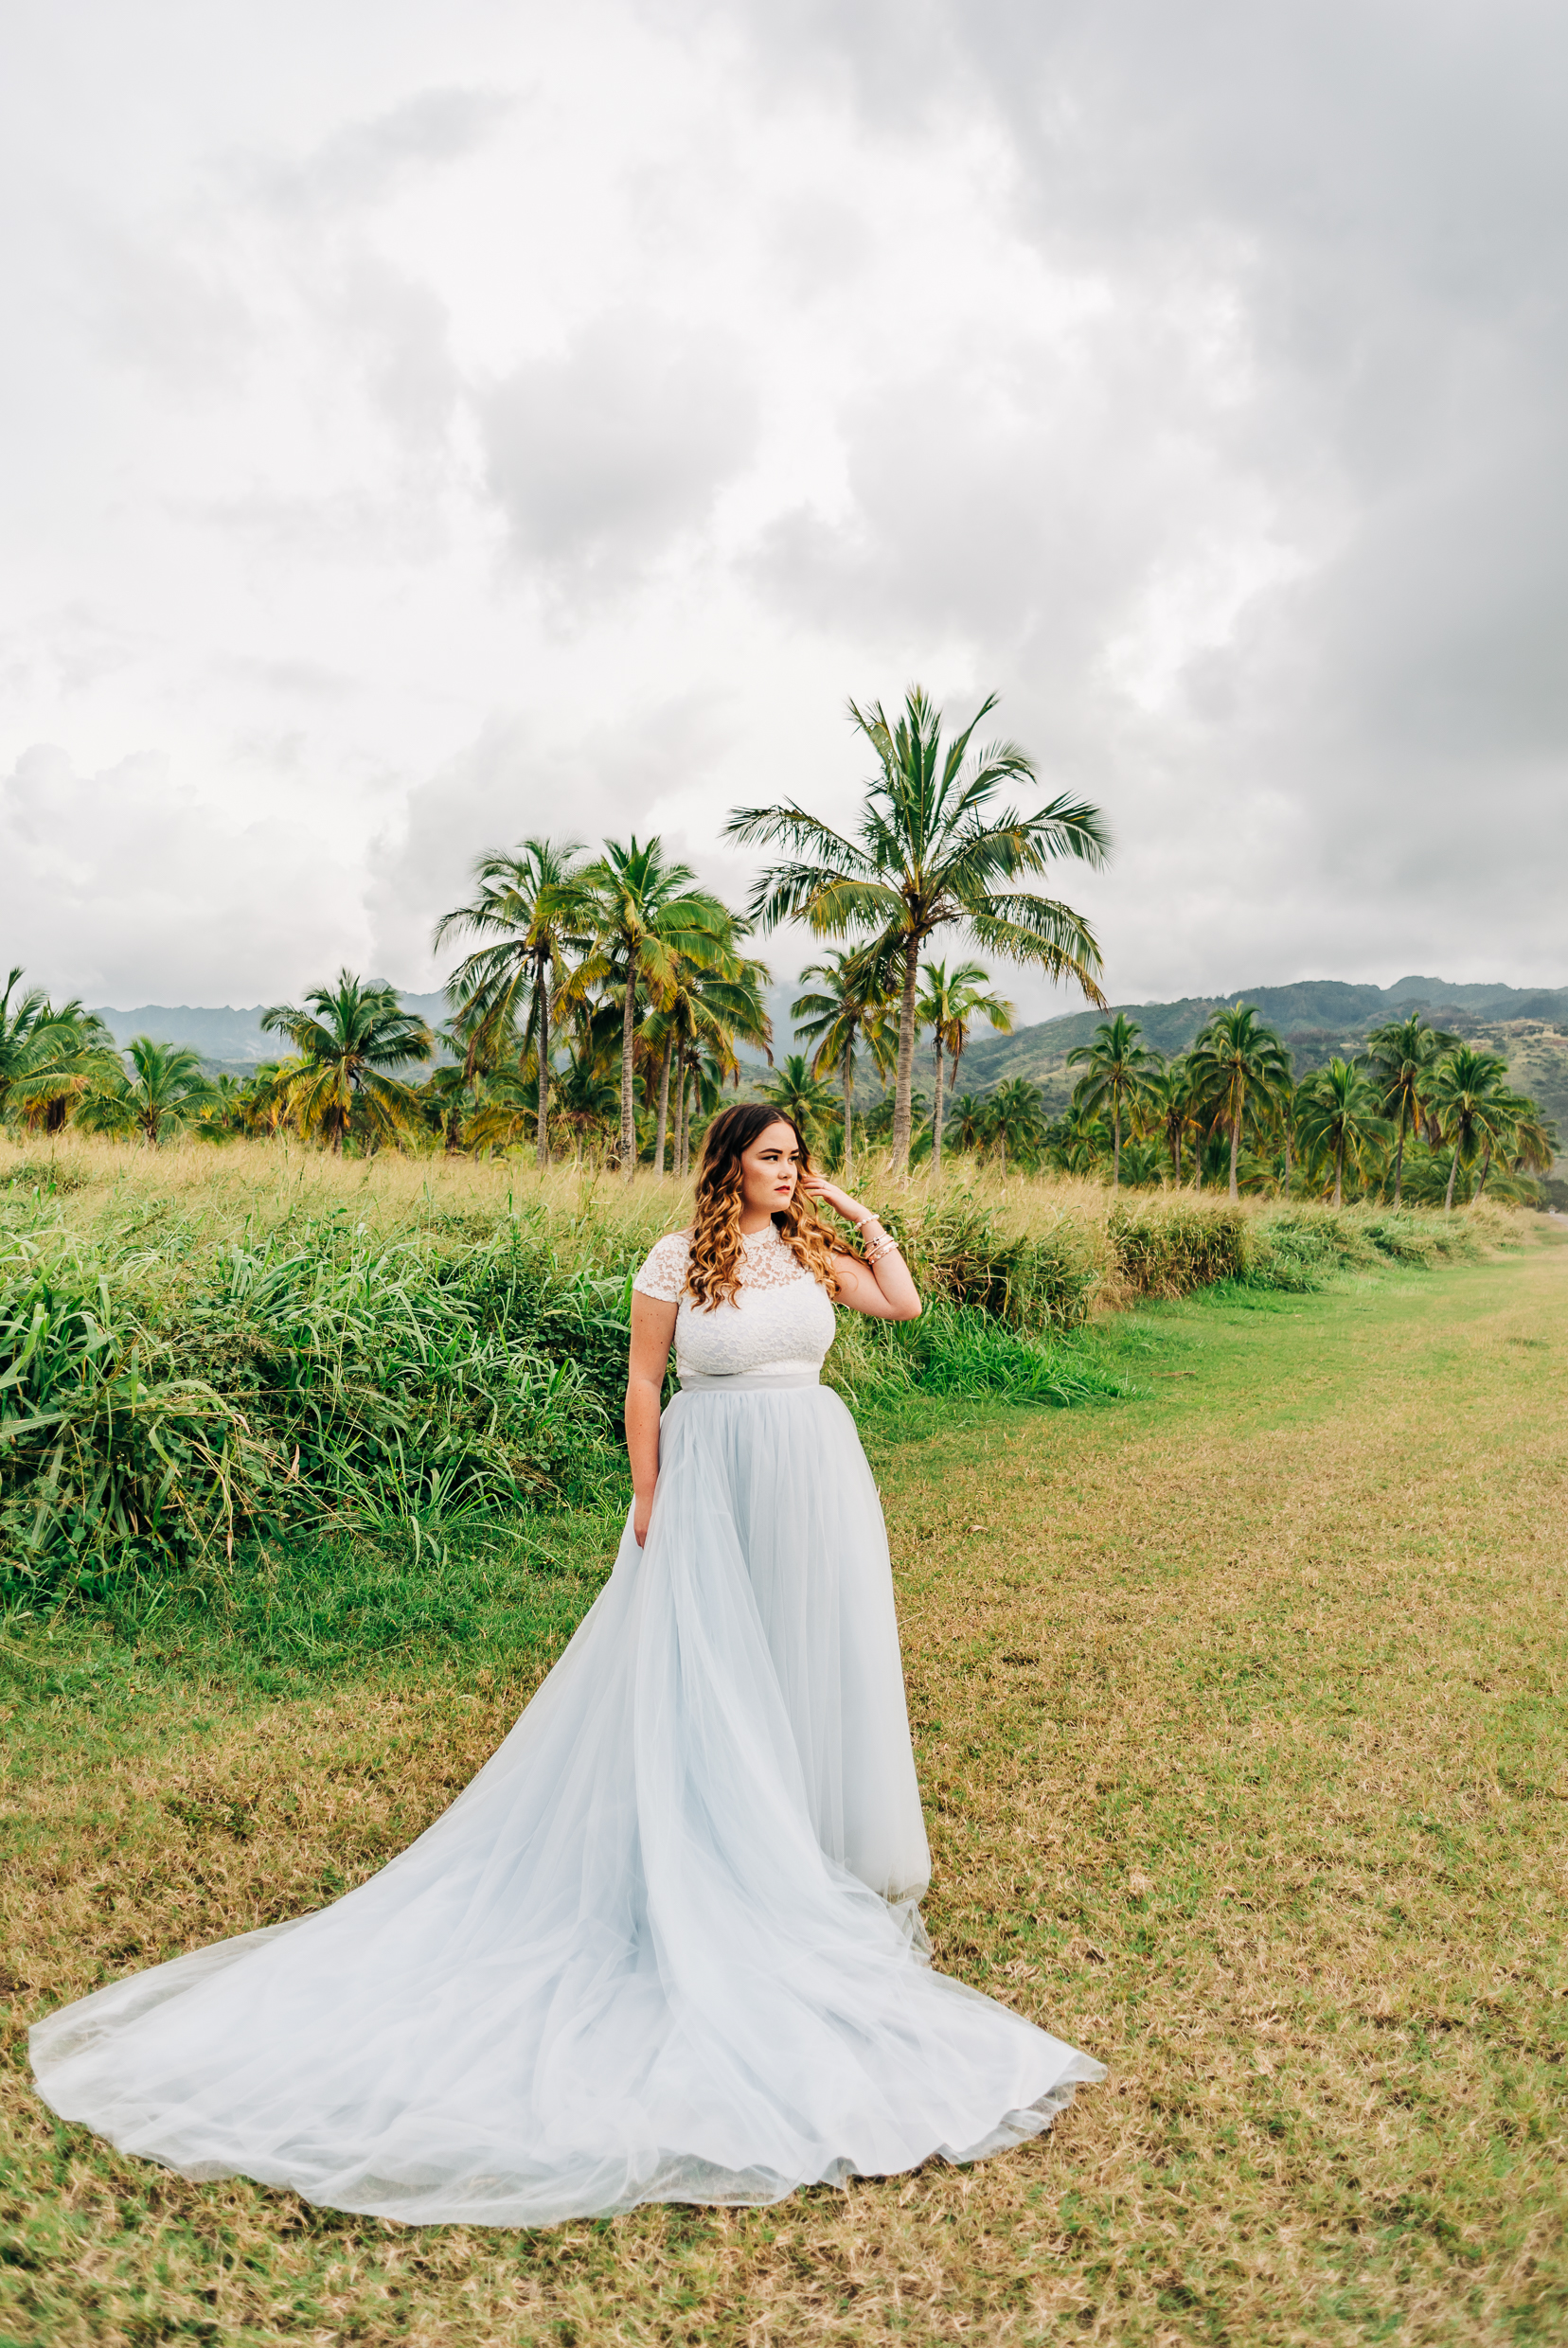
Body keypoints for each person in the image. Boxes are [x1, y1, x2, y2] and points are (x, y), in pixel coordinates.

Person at [30, 1104, 1101, 2225]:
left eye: (798, 1157)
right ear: (728, 1163)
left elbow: (905, 1302)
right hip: (713, 1474)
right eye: (772, 1155)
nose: (789, 1170)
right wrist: (649, 1496)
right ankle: (714, 1856)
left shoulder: (818, 1251)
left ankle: (811, 1850)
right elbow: (645, 1385)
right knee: (711, 1678)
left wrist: (864, 1218)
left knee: (802, 1668)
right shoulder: (675, 1258)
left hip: (817, 1476)